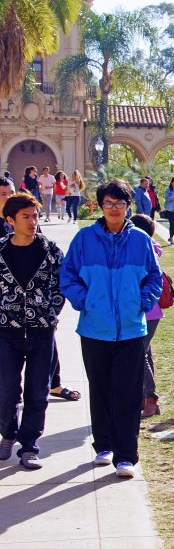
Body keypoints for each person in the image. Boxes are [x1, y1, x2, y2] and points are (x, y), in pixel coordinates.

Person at [60, 180, 163, 479]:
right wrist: (84, 300)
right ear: (100, 206)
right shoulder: (84, 239)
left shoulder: (140, 240)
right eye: (108, 203)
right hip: (94, 328)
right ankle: (103, 445)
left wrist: (142, 302)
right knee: (102, 388)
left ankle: (126, 455)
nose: (114, 208)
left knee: (128, 393)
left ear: (128, 206)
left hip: (131, 329)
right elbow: (67, 275)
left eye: (119, 203)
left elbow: (154, 278)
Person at [0, 194, 65, 470]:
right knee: (6, 390)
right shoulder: (0, 251)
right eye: (25, 216)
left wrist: (50, 313)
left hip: (41, 331)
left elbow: (63, 284)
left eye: (35, 216)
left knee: (37, 392)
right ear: (10, 220)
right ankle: (8, 434)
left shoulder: (50, 251)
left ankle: (29, 446)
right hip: (6, 331)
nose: (32, 221)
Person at [130, 214, 164, 418]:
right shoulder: (149, 247)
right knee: (144, 353)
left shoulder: (143, 249)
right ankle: (145, 398)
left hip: (146, 310)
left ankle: (151, 399)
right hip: (149, 311)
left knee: (137, 354)